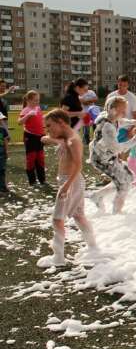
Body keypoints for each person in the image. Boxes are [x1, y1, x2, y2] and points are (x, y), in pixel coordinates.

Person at [37, 109, 99, 268]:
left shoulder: (73, 139)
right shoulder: (64, 137)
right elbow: (42, 139)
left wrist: (66, 186)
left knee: (57, 218)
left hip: (71, 181)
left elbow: (78, 166)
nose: (48, 129)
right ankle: (93, 247)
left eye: (49, 125)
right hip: (71, 181)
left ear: (60, 122)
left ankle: (58, 257)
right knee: (79, 216)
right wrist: (58, 142)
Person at [88, 97, 136, 214]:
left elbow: (121, 121)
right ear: (113, 109)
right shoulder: (107, 127)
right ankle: (117, 212)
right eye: (122, 110)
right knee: (122, 184)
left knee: (129, 177)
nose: (124, 113)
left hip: (107, 156)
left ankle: (97, 196)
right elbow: (118, 148)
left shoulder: (111, 118)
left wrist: (133, 122)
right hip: (101, 159)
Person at [17, 91, 46, 186]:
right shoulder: (26, 110)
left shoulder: (38, 108)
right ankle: (32, 180)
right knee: (31, 158)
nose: (37, 102)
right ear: (28, 100)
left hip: (40, 136)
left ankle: (42, 179)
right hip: (30, 136)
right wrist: (28, 115)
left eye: (38, 100)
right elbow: (19, 123)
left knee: (40, 158)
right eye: (35, 100)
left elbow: (40, 120)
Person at [0, 113, 9, 193]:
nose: (1, 121)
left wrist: (6, 150)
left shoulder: (2, 129)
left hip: (2, 153)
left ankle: (2, 185)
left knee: (2, 170)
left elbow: (5, 140)